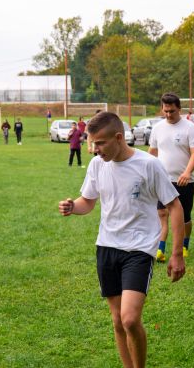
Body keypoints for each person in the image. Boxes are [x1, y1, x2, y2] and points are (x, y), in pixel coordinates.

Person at [58, 112, 186, 368]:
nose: (95, 149)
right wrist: (74, 206)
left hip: (138, 249)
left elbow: (175, 206)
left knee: (129, 319)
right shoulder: (97, 164)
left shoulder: (149, 165)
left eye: (100, 143)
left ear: (119, 137)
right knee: (117, 320)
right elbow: (89, 202)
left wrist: (176, 253)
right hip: (106, 247)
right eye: (92, 143)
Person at [149, 92, 194, 261]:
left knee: (184, 216)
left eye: (172, 111)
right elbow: (152, 152)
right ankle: (160, 249)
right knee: (162, 213)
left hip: (185, 181)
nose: (168, 114)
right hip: (163, 179)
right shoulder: (157, 128)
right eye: (165, 111)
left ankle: (184, 244)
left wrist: (187, 172)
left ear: (179, 109)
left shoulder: (189, 128)